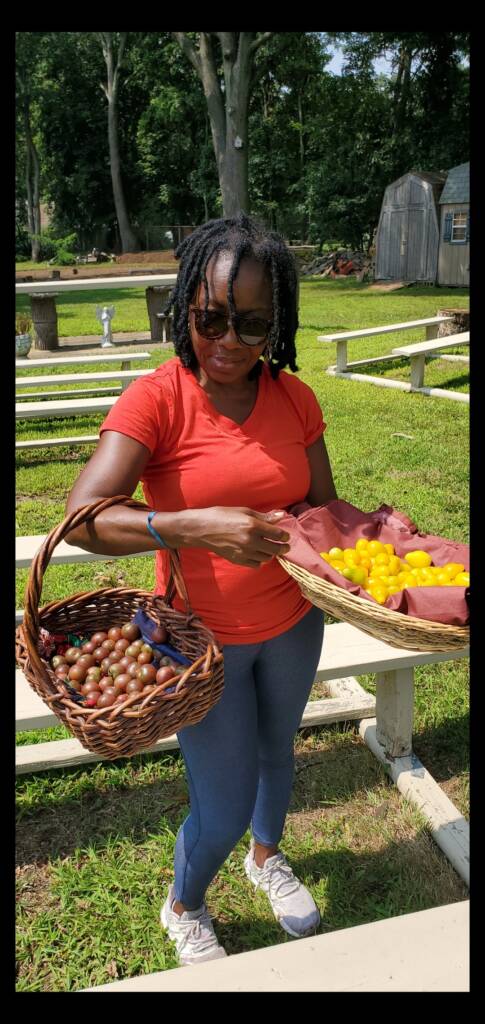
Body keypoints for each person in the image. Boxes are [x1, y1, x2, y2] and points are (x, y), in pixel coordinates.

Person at [65, 214, 337, 967]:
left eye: (251, 324)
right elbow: (84, 520)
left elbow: (322, 507)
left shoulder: (295, 399)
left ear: (274, 324)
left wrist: (368, 537)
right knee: (219, 802)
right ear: (184, 307)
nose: (227, 341)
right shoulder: (156, 398)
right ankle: (184, 903)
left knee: (277, 754)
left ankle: (265, 858)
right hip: (201, 642)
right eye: (210, 317)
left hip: (291, 623)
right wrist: (189, 526)